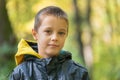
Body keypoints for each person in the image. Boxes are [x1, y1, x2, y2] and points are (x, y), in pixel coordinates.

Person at [9, 6, 89, 80]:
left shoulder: (78, 73)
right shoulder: (21, 73)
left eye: (61, 33)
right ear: (35, 34)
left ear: (66, 35)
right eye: (48, 31)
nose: (55, 38)